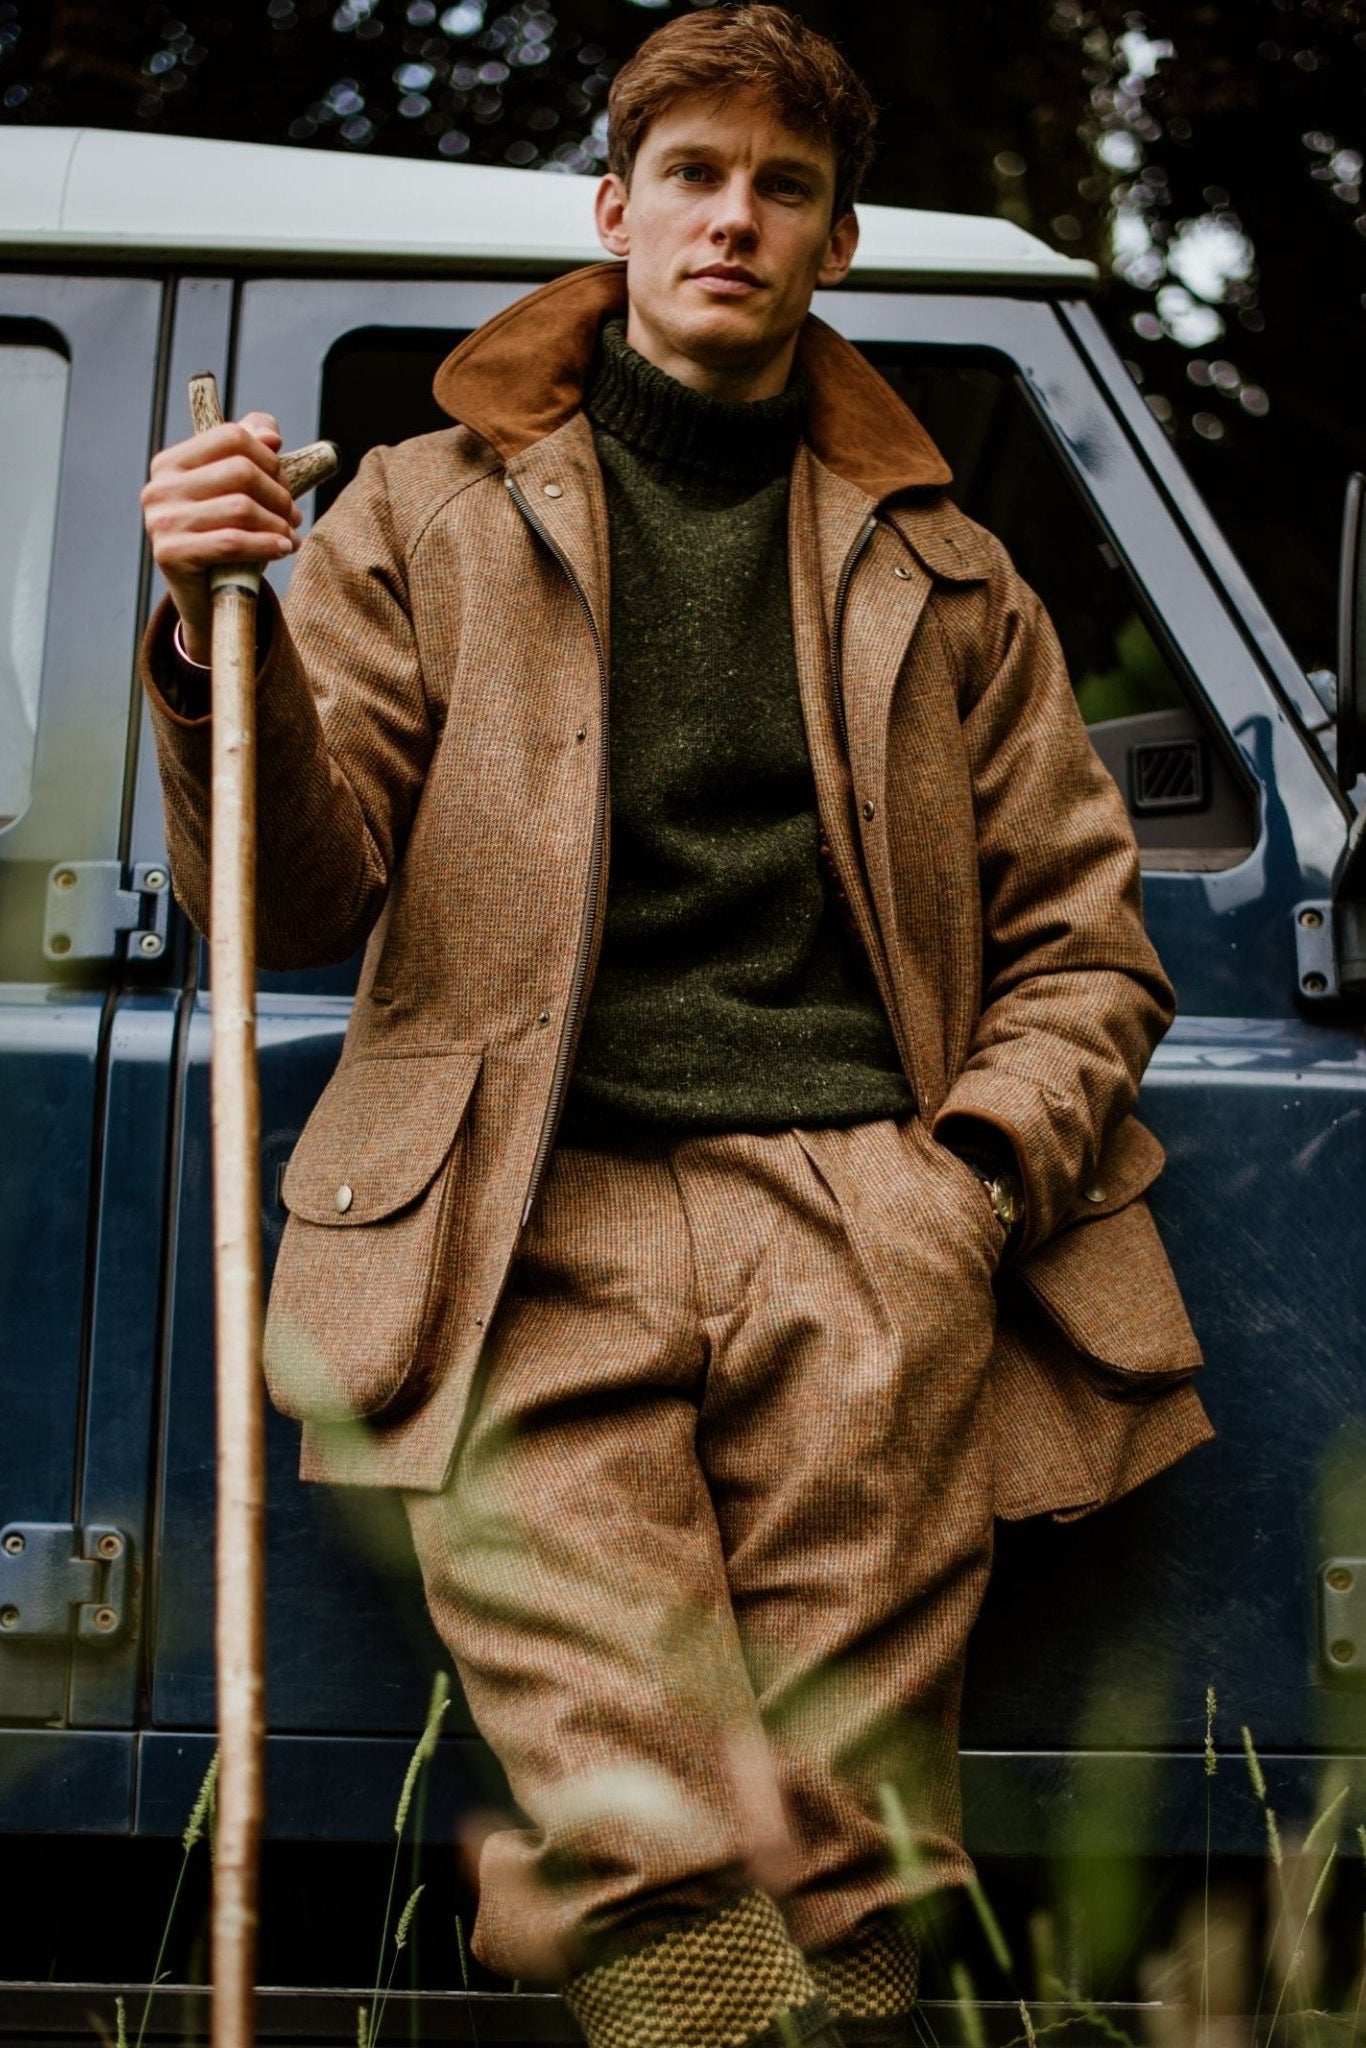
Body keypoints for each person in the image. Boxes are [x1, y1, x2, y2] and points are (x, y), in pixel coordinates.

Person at [139, 8, 1212, 2045]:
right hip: (522, 1223)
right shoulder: (418, 517)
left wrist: (964, 1176)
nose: (734, 217)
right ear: (617, 214)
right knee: (644, 1815)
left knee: (851, 1836)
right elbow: (299, 886)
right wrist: (214, 634)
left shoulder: (952, 574)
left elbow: (1087, 947)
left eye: (780, 186)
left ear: (837, 241)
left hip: (865, 1225)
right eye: (695, 178)